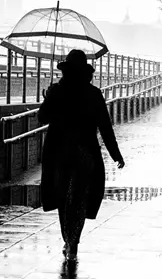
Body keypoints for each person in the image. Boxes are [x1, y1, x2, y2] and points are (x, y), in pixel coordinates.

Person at [38, 49, 125, 259]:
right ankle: (73, 241)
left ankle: (68, 239)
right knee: (79, 199)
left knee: (62, 198)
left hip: (59, 153)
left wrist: (48, 97)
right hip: (85, 153)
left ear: (66, 69)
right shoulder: (93, 94)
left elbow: (42, 117)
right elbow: (105, 126)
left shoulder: (57, 91)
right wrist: (116, 154)